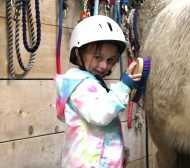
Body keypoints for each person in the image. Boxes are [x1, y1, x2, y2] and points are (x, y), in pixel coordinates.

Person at [55, 15, 142, 168]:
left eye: (110, 60)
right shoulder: (79, 85)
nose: (104, 66)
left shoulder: (94, 84)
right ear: (77, 53)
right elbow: (100, 114)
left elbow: (103, 130)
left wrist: (120, 152)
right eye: (98, 57)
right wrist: (124, 86)